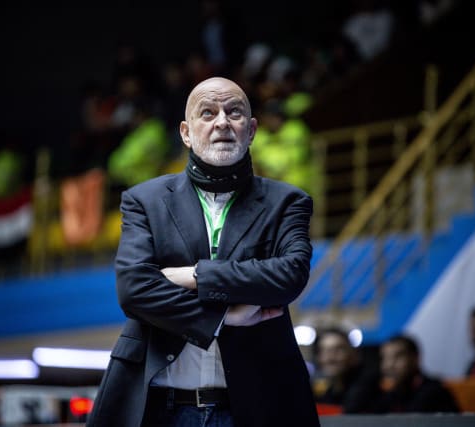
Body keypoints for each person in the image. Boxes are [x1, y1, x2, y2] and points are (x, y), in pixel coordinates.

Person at [88, 77, 320, 427]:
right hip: (158, 410)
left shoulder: (287, 201)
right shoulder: (144, 200)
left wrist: (194, 275)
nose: (222, 122)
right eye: (208, 113)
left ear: (252, 130)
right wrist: (223, 317)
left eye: (234, 112)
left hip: (255, 410)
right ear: (186, 132)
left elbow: (289, 277)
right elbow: (134, 289)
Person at [375, 334, 459, 413]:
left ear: (415, 358)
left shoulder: (436, 393)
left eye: (398, 357)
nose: (389, 365)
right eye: (384, 358)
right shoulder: (387, 396)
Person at [312, 327, 381, 414]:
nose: (330, 357)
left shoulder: (369, 384)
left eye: (338, 349)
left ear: (354, 354)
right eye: (324, 351)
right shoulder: (322, 388)